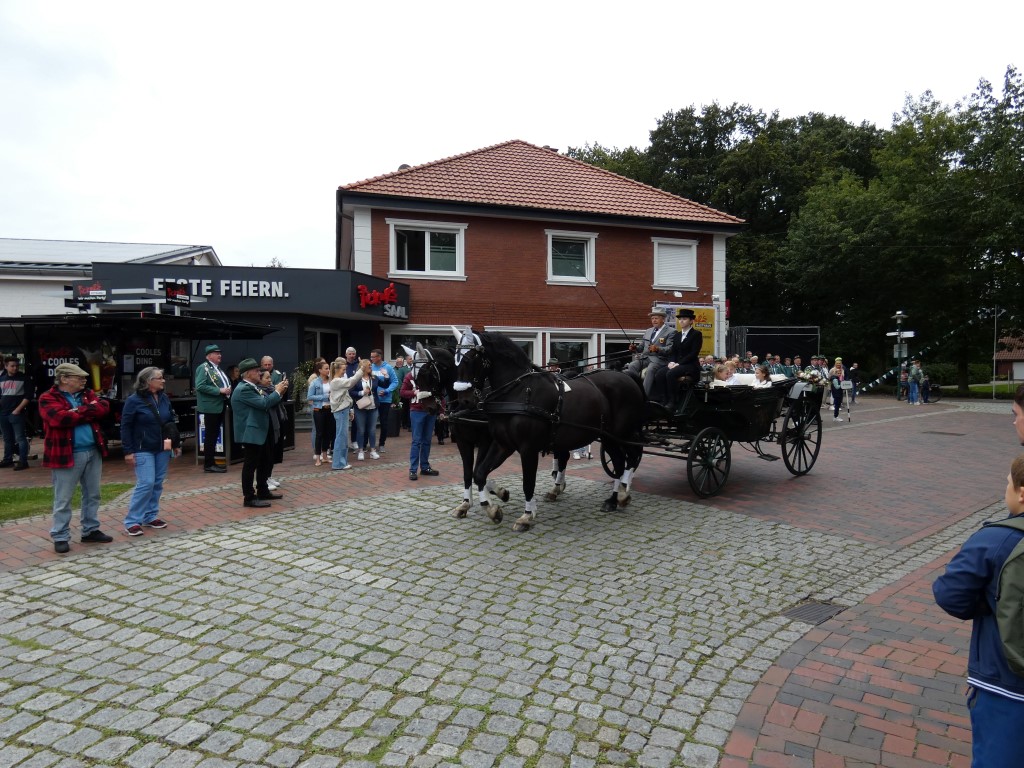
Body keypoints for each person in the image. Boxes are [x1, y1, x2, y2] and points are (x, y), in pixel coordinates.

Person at [934, 454, 1024, 765]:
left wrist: (991, 604)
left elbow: (949, 594)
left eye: (1008, 483)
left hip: (1006, 680)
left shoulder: (997, 538)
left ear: (1021, 493)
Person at [39, 362, 114, 553]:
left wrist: (76, 411)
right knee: (63, 498)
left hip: (93, 451)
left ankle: (90, 530)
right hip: (66, 453)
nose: (84, 380)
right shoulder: (47, 398)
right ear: (64, 379)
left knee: (93, 494)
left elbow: (103, 408)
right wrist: (87, 410)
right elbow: (59, 419)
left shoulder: (87, 394)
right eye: (79, 377)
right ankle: (60, 535)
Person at [121, 366, 180, 536]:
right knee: (146, 483)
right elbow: (126, 426)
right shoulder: (134, 400)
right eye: (159, 378)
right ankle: (132, 521)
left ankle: (150, 515)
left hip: (162, 447)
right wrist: (128, 451)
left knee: (157, 482)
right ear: (148, 381)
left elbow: (170, 421)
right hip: (142, 448)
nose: (163, 380)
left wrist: (175, 443)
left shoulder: (164, 398)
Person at [230, 358, 288, 508]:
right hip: (251, 432)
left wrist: (278, 392)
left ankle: (262, 490)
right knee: (250, 465)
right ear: (248, 373)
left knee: (264, 461)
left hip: (259, 430)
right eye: (256, 370)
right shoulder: (244, 389)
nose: (259, 373)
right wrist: (277, 391)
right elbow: (264, 403)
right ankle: (249, 497)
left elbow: (266, 401)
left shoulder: (252, 387)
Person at [650, 308, 702, 407]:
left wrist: (678, 363)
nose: (681, 321)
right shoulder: (677, 335)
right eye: (680, 319)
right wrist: (671, 361)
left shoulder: (696, 334)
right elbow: (673, 351)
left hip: (690, 365)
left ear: (691, 321)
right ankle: (663, 399)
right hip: (677, 364)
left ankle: (672, 401)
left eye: (684, 319)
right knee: (659, 373)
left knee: (671, 374)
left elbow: (693, 353)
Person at [194, 343, 231, 473]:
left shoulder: (217, 368)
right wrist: (219, 390)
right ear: (209, 356)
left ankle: (211, 462)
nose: (219, 355)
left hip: (219, 405)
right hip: (211, 406)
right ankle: (209, 464)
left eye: (219, 353)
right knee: (210, 435)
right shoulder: (203, 368)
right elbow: (200, 386)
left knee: (214, 435)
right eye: (216, 353)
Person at [626, 307, 677, 397]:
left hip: (659, 359)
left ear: (663, 319)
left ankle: (643, 396)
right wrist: (635, 348)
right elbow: (641, 347)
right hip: (645, 358)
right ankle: (634, 390)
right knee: (632, 366)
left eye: (656, 318)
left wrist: (657, 349)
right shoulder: (648, 331)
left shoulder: (671, 331)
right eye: (652, 318)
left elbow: (670, 349)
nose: (654, 320)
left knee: (650, 370)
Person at [401, 366, 439, 481]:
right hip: (417, 410)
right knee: (416, 441)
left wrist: (441, 409)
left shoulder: (432, 375)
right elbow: (402, 392)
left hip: (430, 409)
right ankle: (413, 469)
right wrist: (414, 392)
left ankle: (425, 466)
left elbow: (439, 392)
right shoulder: (410, 376)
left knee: (427, 440)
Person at [0, 356, 34, 470]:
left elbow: (28, 396)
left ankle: (23, 461)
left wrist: (18, 409)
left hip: (16, 412)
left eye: (17, 366)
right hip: (3, 412)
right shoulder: (1, 379)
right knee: (7, 438)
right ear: (6, 366)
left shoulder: (24, 378)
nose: (15, 368)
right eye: (12, 366)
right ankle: (7, 459)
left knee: (20, 437)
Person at [257, 369, 286, 485]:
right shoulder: (259, 391)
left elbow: (278, 400)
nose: (270, 380)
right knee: (266, 455)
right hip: (267, 424)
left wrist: (282, 390)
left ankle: (268, 476)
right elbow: (268, 403)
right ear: (260, 379)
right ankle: (264, 479)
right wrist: (277, 392)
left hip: (276, 422)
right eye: (267, 378)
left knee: (273, 452)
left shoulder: (272, 389)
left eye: (270, 377)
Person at [329, 360, 357, 470]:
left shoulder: (338, 380)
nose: (345, 372)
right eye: (343, 369)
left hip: (343, 410)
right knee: (341, 437)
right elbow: (351, 382)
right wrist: (361, 370)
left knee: (343, 437)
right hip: (340, 411)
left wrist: (350, 410)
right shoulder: (336, 381)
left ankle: (342, 462)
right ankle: (338, 463)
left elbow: (346, 396)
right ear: (337, 370)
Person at [350, 359, 380, 460]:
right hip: (360, 407)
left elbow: (384, 384)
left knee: (372, 430)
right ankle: (361, 450)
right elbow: (351, 392)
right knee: (361, 430)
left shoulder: (374, 378)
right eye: (369, 365)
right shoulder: (356, 379)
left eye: (371, 365)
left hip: (373, 406)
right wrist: (362, 392)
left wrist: (386, 376)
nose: (371, 367)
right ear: (363, 367)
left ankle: (373, 450)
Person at [369, 349, 397, 454]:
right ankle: (369, 444)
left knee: (383, 422)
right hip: (371, 399)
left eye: (373, 357)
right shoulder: (370, 367)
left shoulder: (388, 368)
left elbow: (395, 382)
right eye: (371, 357)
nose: (371, 359)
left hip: (385, 400)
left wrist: (387, 391)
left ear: (379, 357)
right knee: (370, 423)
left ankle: (381, 444)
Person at [307, 360, 332, 466]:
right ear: (320, 370)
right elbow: (309, 397)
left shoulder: (331, 381)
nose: (328, 370)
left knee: (327, 433)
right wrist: (325, 397)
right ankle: (318, 457)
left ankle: (325, 456)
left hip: (329, 409)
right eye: (326, 368)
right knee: (319, 433)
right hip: (319, 409)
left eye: (328, 368)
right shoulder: (315, 382)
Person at [394, 354, 411, 430]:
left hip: (411, 391)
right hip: (403, 391)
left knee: (409, 408)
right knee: (404, 408)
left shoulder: (413, 368)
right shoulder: (402, 369)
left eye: (401, 362)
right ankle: (404, 423)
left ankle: (409, 423)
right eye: (398, 362)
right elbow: (400, 380)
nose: (399, 363)